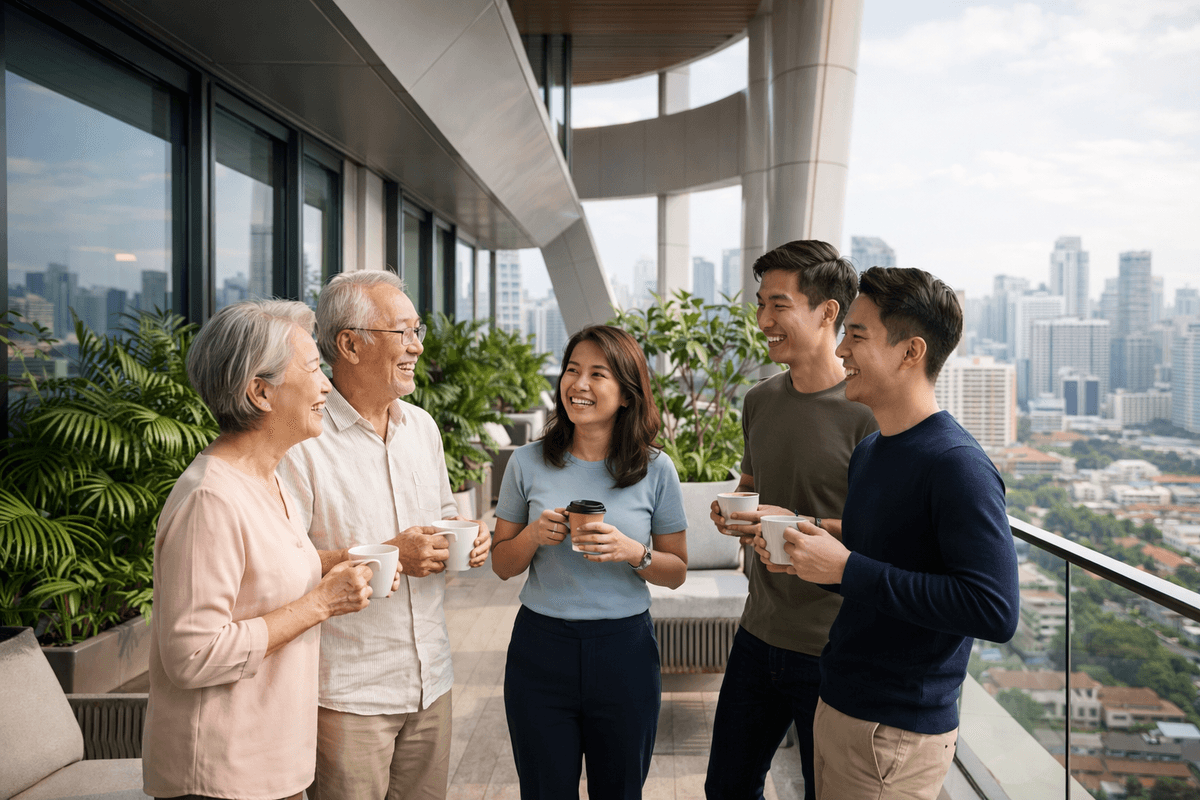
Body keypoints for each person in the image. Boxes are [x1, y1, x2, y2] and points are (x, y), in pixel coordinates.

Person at [782, 266, 1020, 800]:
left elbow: (994, 610)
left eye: (857, 335)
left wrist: (845, 568)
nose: (840, 349)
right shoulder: (871, 449)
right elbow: (877, 564)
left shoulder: (959, 466)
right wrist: (811, 558)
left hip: (894, 734)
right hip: (840, 701)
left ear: (911, 352)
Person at [144, 300, 394, 800]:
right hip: (223, 775)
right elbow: (192, 654)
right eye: (313, 369)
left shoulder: (268, 478)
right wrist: (322, 602)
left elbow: (259, 582)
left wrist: (333, 565)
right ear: (260, 392)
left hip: (273, 766)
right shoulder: (210, 498)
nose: (326, 385)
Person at [277, 271, 491, 800]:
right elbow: (283, 565)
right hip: (347, 693)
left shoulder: (423, 427)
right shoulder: (301, 441)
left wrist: (467, 537)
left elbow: (442, 514)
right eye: (404, 332)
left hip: (431, 679)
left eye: (418, 331)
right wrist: (391, 554)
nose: (418, 346)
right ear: (349, 344)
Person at [704, 241, 878, 800]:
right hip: (758, 632)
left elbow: (885, 536)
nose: (763, 321)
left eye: (778, 305)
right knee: (726, 787)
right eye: (760, 305)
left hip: (834, 646)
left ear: (829, 312)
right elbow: (752, 489)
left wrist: (799, 524)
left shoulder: (868, 412)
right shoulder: (760, 400)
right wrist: (733, 510)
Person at [491, 324, 688, 800]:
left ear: (626, 394)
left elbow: (677, 570)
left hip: (624, 652)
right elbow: (501, 563)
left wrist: (633, 553)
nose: (579, 384)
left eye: (598, 374)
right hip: (541, 650)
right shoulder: (526, 462)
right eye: (572, 370)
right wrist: (536, 535)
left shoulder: (656, 468)